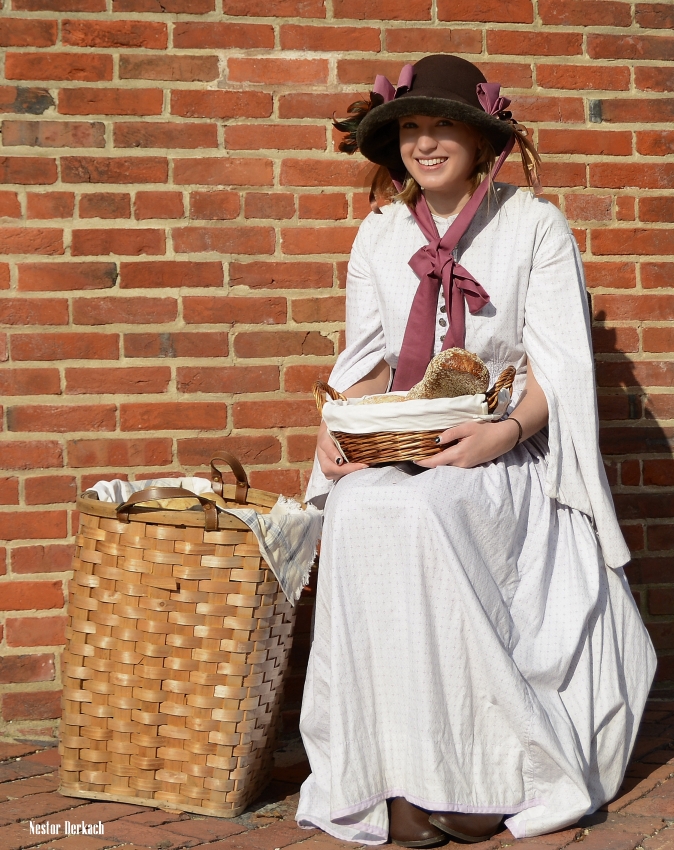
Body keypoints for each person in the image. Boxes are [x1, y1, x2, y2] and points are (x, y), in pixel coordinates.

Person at [295, 54, 656, 845]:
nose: (425, 144)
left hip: (502, 450)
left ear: (481, 139)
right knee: (357, 509)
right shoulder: (381, 233)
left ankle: (482, 771)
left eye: (444, 126)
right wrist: (336, 426)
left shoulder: (535, 226)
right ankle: (393, 768)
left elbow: (558, 370)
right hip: (406, 445)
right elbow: (362, 363)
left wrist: (501, 432)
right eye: (412, 129)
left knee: (431, 509)